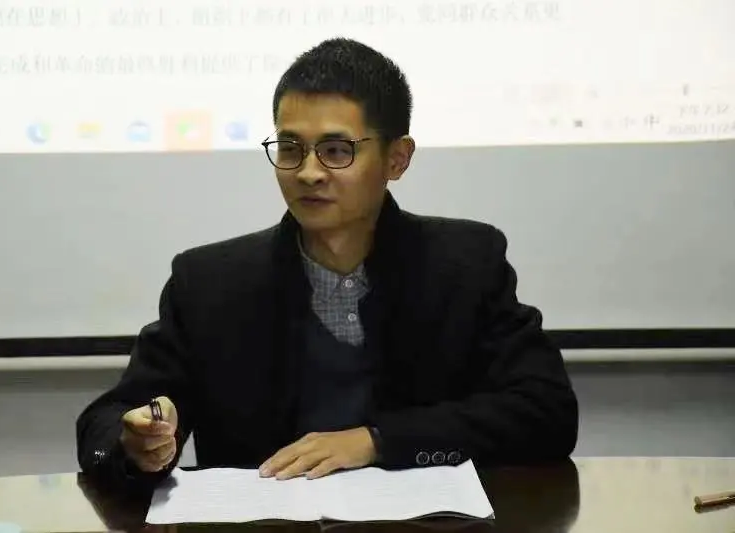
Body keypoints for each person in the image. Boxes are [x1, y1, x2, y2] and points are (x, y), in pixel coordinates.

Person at [76, 37, 578, 490]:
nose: (309, 173)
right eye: (290, 149)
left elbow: (546, 413)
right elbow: (106, 422)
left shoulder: (465, 264)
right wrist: (136, 443)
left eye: (336, 151)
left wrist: (377, 441)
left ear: (397, 159)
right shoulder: (210, 283)